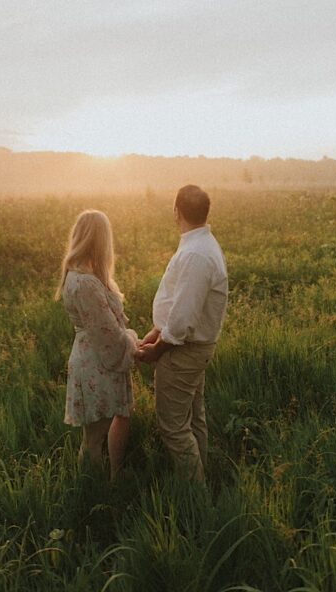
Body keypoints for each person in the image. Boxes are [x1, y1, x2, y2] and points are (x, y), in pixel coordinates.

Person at [137, 185, 228, 483]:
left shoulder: (196, 254)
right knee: (194, 419)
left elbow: (183, 318)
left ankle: (196, 498)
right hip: (190, 347)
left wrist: (158, 349)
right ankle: (204, 481)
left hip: (183, 351)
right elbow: (177, 306)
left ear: (176, 212)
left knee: (174, 428)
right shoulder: (200, 245)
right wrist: (154, 333)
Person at [57, 210, 139, 480]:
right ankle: (93, 493)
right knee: (93, 441)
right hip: (96, 363)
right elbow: (106, 333)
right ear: (99, 240)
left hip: (92, 358)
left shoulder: (80, 276)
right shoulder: (86, 284)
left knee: (93, 438)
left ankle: (97, 487)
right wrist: (132, 341)